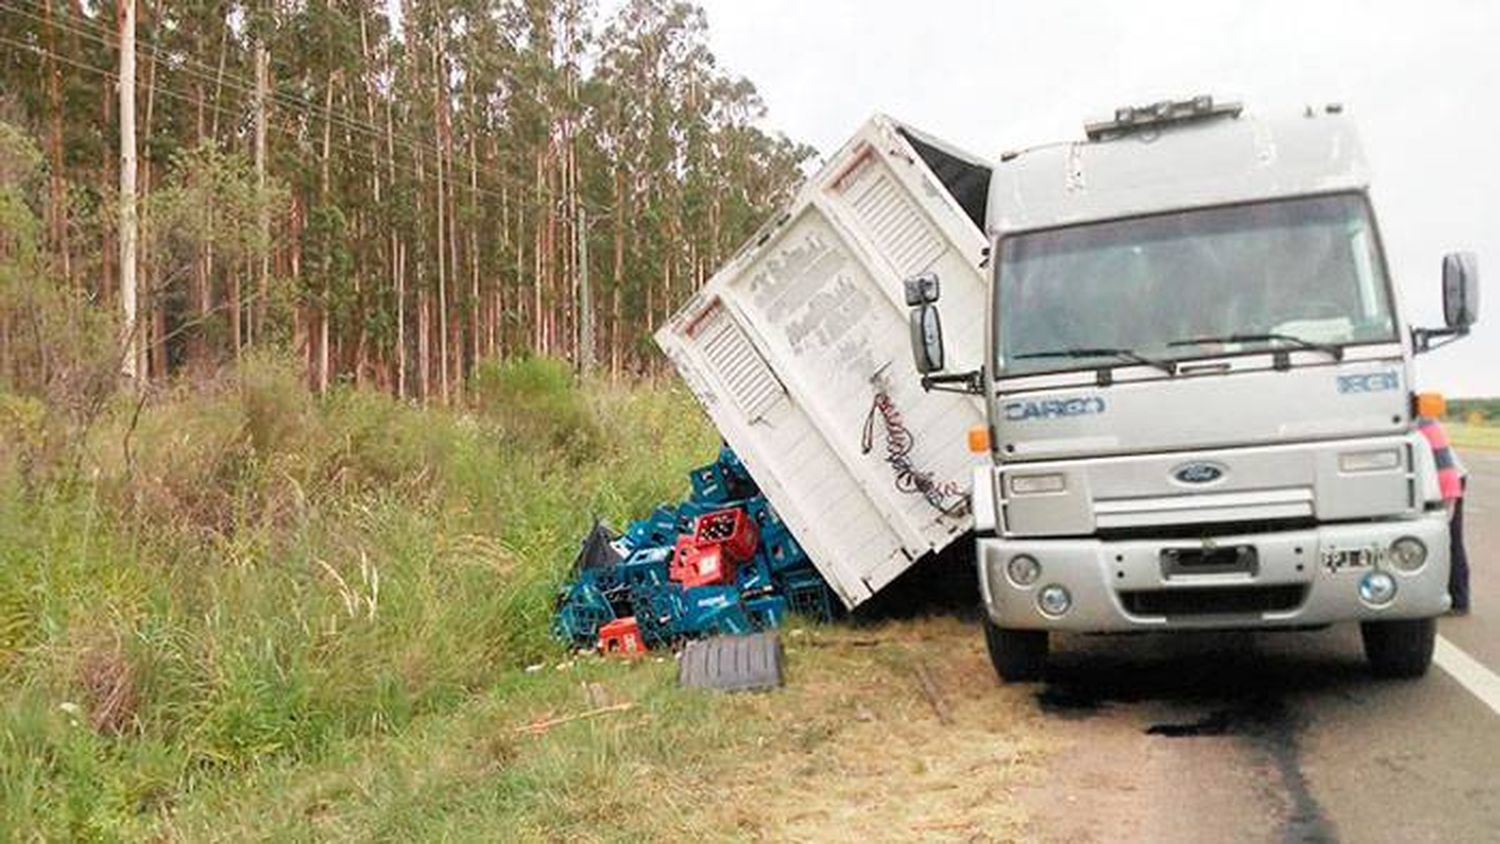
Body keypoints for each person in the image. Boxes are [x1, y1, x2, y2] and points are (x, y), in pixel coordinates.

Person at [1417, 416, 1470, 615]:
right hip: (1441, 479)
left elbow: (1445, 469)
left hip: (1448, 481)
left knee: (1450, 540)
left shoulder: (1422, 422)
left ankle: (1459, 601)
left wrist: (1449, 504)